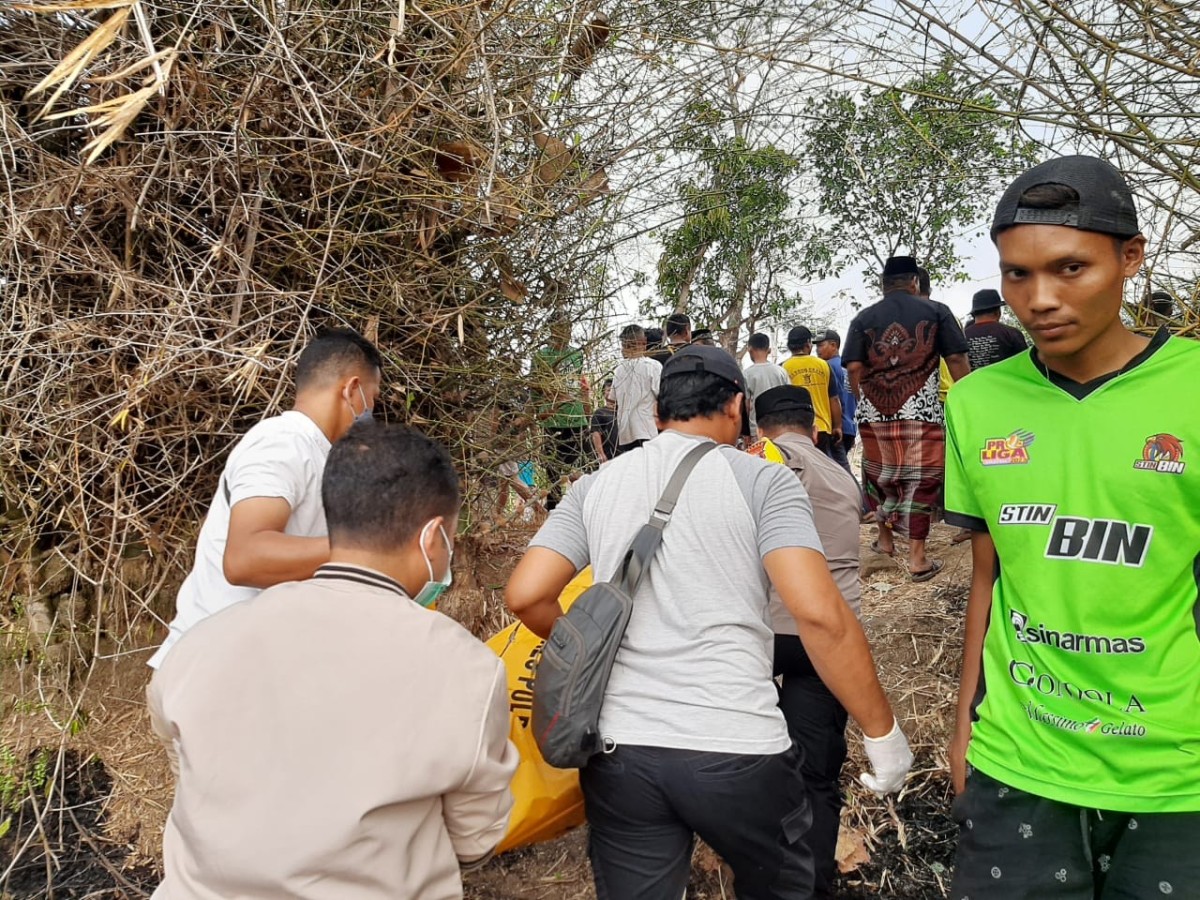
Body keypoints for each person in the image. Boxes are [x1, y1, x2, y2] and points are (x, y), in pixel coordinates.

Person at [505, 345, 913, 900]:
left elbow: (526, 595)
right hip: (736, 746)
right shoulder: (764, 482)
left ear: (656, 413)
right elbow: (818, 614)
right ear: (737, 406)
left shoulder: (595, 484)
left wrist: (589, 645)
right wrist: (883, 734)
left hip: (621, 754)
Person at [945, 155, 1200, 898]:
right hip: (1020, 759)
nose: (1040, 299)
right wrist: (966, 724)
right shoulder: (979, 404)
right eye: (1017, 275)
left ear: (1130, 257)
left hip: (1175, 771)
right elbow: (989, 578)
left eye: (1069, 269)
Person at [148, 423, 519, 899]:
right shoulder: (466, 669)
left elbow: (180, 755)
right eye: (450, 537)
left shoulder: (203, 643)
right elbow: (476, 836)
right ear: (432, 538)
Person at [147, 329, 382, 669]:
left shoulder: (319, 457)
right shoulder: (281, 442)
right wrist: (367, 547)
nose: (370, 412)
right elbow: (246, 558)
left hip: (251, 667)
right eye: (372, 398)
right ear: (351, 389)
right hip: (214, 668)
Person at [754, 386, 863, 900]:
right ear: (816, 430)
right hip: (832, 638)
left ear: (759, 428)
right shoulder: (841, 475)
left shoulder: (757, 459)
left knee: (740, 756)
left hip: (764, 631)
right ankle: (813, 887)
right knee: (816, 774)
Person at [843, 256, 970, 582]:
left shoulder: (862, 318)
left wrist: (862, 402)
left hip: (874, 414)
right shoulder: (937, 311)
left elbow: (853, 369)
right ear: (914, 282)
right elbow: (955, 357)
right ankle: (917, 559)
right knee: (920, 480)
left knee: (881, 478)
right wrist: (970, 396)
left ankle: (886, 543)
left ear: (883, 286)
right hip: (921, 412)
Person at [532, 314, 589, 510]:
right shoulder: (541, 356)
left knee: (579, 467)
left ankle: (580, 507)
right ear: (552, 330)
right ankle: (554, 511)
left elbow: (580, 384)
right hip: (552, 419)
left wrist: (586, 410)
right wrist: (542, 411)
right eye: (561, 328)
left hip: (576, 417)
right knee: (553, 469)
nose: (566, 332)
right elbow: (535, 387)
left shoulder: (577, 354)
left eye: (568, 328)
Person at [782, 326, 847, 469]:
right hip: (823, 428)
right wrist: (837, 426)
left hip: (796, 430)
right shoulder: (823, 365)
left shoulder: (783, 368)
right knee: (827, 469)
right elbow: (834, 399)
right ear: (808, 345)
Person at [611, 324, 662, 453]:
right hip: (646, 429)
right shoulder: (653, 366)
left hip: (624, 433)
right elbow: (662, 395)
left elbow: (611, 398)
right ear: (643, 342)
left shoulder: (618, 370)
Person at [813, 329, 857, 463]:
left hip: (835, 429)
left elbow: (833, 399)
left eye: (821, 345)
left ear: (833, 345)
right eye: (816, 346)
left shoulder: (826, 367)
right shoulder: (848, 367)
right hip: (850, 427)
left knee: (834, 472)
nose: (817, 350)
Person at [964, 288, 1028, 371]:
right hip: (1006, 383)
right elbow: (1025, 365)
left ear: (974, 314)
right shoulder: (1012, 333)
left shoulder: (962, 336)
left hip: (972, 383)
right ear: (998, 312)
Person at [743, 332, 790, 438]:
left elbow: (746, 405)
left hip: (758, 430)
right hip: (781, 428)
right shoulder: (781, 371)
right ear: (769, 350)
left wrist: (746, 433)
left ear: (749, 350)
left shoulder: (747, 374)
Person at [589, 378, 619, 464]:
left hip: (624, 453)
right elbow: (596, 433)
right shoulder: (600, 413)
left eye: (614, 390)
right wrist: (600, 454)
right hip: (608, 454)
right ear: (603, 393)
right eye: (608, 390)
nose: (611, 393)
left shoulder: (623, 412)